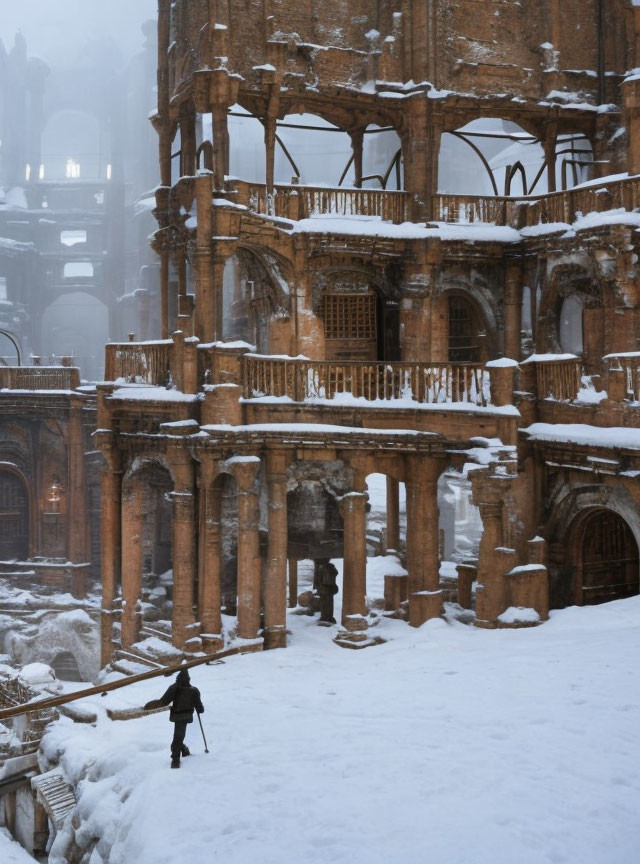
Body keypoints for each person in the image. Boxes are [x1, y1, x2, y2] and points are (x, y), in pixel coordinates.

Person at [155, 668, 204, 769]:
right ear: (188, 679)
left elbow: (164, 701)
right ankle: (182, 752)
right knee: (179, 736)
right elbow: (199, 706)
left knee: (178, 736)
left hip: (178, 715)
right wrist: (200, 709)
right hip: (185, 716)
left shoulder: (174, 688)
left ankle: (176, 759)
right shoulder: (194, 690)